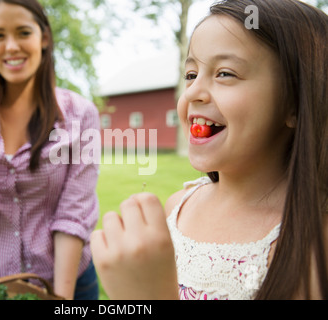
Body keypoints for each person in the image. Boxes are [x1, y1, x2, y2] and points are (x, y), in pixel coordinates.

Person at [91, 0, 327, 300]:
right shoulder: (177, 208)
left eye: (225, 73)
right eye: (191, 75)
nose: (192, 93)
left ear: (295, 104)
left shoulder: (312, 246)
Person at [0, 0, 100, 300]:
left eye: (23, 32)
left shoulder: (81, 114)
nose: (12, 46)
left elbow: (74, 215)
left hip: (69, 283)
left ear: (43, 37)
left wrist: (60, 299)